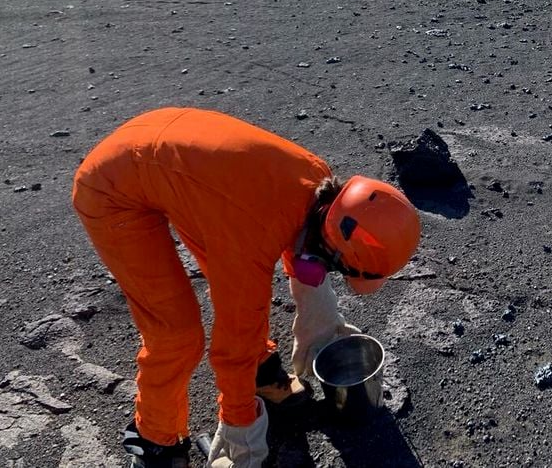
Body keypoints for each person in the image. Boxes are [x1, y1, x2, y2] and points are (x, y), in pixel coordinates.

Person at [71, 107, 421, 468]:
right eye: (337, 268)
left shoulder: (320, 182)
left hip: (179, 164)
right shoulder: (252, 237)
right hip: (113, 188)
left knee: (239, 296)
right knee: (176, 335)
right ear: (330, 246)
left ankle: (261, 372)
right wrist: (241, 429)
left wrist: (320, 314)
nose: (331, 273)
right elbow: (233, 341)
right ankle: (154, 441)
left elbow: (297, 236)